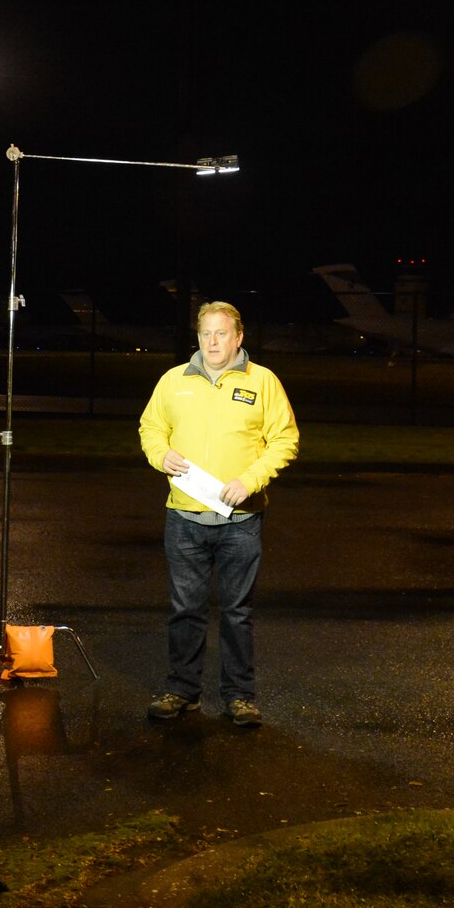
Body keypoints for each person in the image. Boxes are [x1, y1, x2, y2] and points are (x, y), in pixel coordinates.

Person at [138, 300, 298, 727]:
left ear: (238, 338)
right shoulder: (174, 381)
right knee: (185, 609)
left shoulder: (263, 382)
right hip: (185, 518)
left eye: (221, 333)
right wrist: (160, 454)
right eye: (206, 332)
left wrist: (251, 480)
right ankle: (182, 690)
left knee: (237, 612)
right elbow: (151, 427)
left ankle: (240, 696)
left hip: (240, 521)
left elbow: (285, 440)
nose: (212, 341)